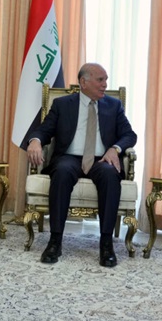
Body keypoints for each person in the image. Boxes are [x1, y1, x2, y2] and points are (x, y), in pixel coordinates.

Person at [23, 63, 137, 267]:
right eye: (100, 80)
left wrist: (115, 148)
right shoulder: (62, 104)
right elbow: (44, 130)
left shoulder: (113, 106)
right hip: (69, 157)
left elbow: (129, 135)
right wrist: (35, 141)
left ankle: (106, 244)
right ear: (84, 82)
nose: (105, 84)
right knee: (62, 171)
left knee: (110, 175)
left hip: (101, 159)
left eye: (106, 79)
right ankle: (55, 241)